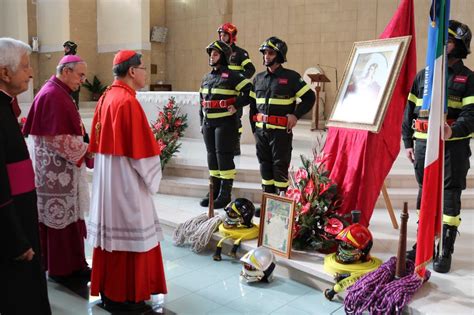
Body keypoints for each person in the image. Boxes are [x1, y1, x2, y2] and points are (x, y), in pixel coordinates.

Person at [87, 50, 167, 313]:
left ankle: (111, 292)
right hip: (126, 184)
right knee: (132, 235)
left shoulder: (106, 97)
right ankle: (128, 295)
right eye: (143, 68)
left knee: (112, 238)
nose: (145, 72)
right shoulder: (128, 102)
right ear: (132, 71)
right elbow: (142, 154)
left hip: (107, 181)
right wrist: (154, 178)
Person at [402, 20, 474, 273]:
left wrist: (453, 129)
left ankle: (445, 248)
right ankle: (425, 244)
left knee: (450, 197)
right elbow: (409, 109)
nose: (443, 43)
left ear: (461, 45)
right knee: (425, 194)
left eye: (450, 39)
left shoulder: (468, 78)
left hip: (452, 148)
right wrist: (407, 142)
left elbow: (471, 113)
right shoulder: (425, 75)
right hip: (422, 146)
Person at [23, 54, 92, 282]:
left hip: (60, 172)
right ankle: (64, 269)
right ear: (66, 71)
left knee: (67, 220)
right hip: (56, 176)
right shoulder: (53, 95)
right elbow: (56, 139)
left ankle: (72, 264)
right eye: (80, 74)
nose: (82, 79)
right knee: (60, 221)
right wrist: (88, 151)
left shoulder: (58, 92)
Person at [0, 37, 51, 314]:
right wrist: (15, 240)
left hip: (22, 216)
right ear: (4, 73)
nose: (31, 72)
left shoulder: (6, 105)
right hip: (12, 230)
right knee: (20, 296)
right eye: (25, 66)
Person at [250, 37, 315, 216]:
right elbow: (252, 106)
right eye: (264, 53)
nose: (266, 56)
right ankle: (267, 201)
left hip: (280, 133)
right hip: (261, 133)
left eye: (270, 53)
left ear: (279, 55)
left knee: (280, 166)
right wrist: (254, 130)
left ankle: (279, 204)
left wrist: (295, 115)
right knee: (265, 166)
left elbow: (310, 97)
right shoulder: (258, 79)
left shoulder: (291, 77)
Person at [199, 40, 252, 209]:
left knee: (224, 156)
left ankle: (225, 193)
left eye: (215, 54)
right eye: (211, 54)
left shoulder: (234, 75)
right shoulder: (207, 77)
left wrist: (236, 104)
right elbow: (202, 101)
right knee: (211, 156)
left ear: (223, 56)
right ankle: (214, 190)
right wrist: (202, 122)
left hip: (225, 123)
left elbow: (250, 92)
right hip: (209, 123)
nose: (211, 57)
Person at [218, 23, 256, 155]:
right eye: (221, 34)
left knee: (235, 119)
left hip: (235, 93)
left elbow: (251, 69)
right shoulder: (217, 52)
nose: (222, 37)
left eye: (225, 35)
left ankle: (235, 147)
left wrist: (237, 79)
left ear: (232, 36)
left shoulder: (240, 53)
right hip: (221, 92)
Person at [63, 40, 81, 108]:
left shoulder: (74, 59)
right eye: (65, 48)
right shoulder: (66, 58)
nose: (64, 50)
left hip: (72, 84)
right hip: (66, 84)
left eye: (67, 48)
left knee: (73, 103)